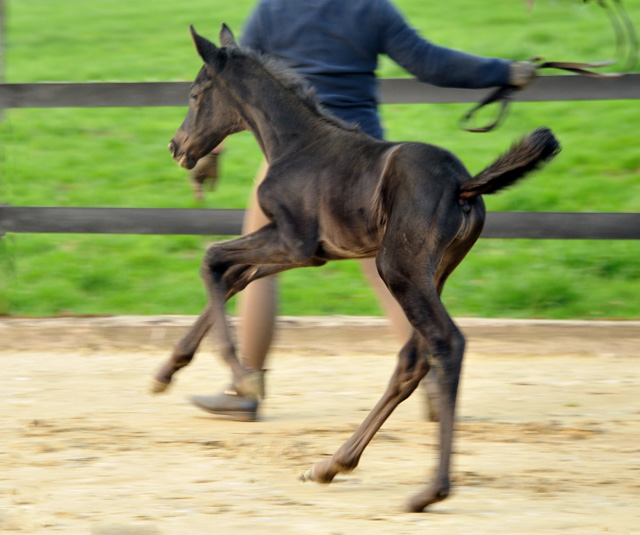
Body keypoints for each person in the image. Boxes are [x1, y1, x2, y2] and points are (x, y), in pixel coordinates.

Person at [190, 0, 536, 421]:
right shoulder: (371, 8)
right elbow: (429, 63)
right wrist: (505, 72)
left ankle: (245, 385)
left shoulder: (273, 9)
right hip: (366, 165)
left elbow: (234, 83)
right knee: (395, 275)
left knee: (252, 262)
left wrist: (213, 152)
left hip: (292, 165)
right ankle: (429, 379)